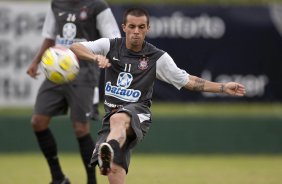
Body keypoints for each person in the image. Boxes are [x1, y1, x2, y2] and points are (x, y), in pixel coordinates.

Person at [70, 7, 246, 184]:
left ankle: (111, 149)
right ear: (124, 27)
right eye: (132, 26)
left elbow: (189, 81)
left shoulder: (157, 58)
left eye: (141, 27)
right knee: (113, 171)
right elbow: (75, 47)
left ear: (148, 28)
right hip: (111, 118)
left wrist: (223, 87)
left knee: (119, 120)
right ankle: (111, 152)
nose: (136, 31)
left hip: (138, 113)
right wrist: (95, 58)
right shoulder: (110, 46)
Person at [26, 0, 121, 183]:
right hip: (56, 71)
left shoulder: (98, 6)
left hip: (84, 72)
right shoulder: (57, 4)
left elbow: (113, 39)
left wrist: (102, 59)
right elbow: (49, 37)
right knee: (38, 121)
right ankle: (58, 177)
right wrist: (35, 61)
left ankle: (91, 180)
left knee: (80, 128)